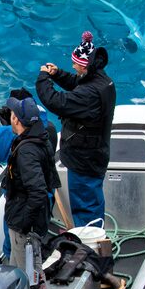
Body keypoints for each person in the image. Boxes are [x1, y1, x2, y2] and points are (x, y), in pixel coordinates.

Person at [35, 31, 115, 227]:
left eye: (75, 64)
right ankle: (92, 237)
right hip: (95, 154)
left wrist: (44, 78)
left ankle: (88, 247)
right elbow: (79, 83)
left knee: (85, 207)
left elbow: (55, 101)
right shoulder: (101, 80)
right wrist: (58, 74)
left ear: (85, 65)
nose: (72, 66)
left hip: (84, 160)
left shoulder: (89, 95)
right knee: (93, 201)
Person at [2, 96, 60, 289]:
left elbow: (36, 191)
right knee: (22, 273)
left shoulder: (26, 151)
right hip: (27, 221)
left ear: (16, 119)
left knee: (35, 280)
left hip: (25, 226)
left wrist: (24, 223)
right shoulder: (40, 137)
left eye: (12, 113)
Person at [0, 87, 58, 259]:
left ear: (17, 118)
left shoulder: (24, 146)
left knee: (17, 248)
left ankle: (12, 261)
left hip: (21, 204)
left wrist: (23, 222)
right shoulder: (45, 129)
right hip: (45, 196)